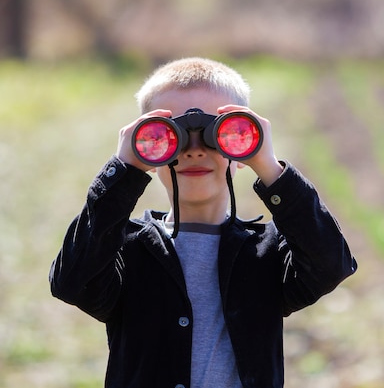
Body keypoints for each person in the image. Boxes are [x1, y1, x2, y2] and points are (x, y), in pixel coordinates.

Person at [49, 57, 357, 388]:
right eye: (170, 137)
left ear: (244, 150)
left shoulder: (266, 254)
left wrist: (270, 167)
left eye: (220, 134)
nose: (194, 151)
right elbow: (72, 281)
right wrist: (123, 169)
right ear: (148, 153)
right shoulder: (127, 249)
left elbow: (331, 264)